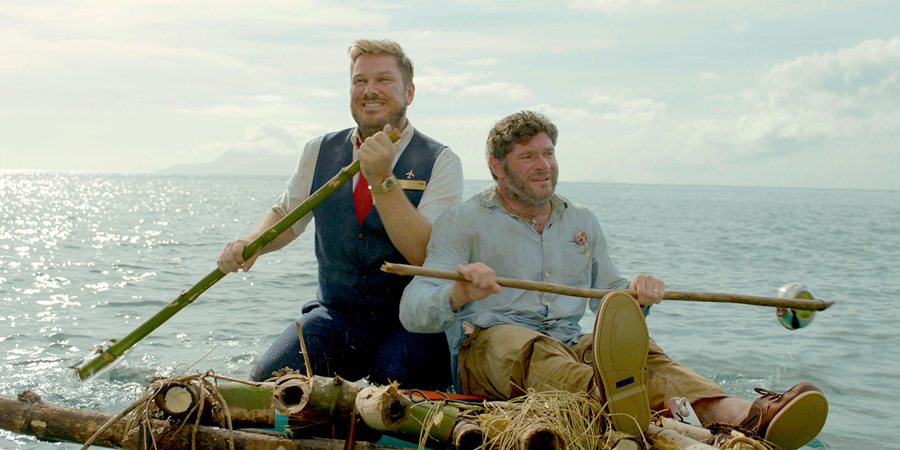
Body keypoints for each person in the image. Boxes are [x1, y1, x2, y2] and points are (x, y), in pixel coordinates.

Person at [399, 111, 828, 449]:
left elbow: (607, 300)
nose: (544, 165)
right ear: (496, 165)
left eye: (549, 153)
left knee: (636, 349)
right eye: (527, 156)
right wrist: (457, 292)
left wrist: (636, 298)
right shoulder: (463, 221)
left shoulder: (582, 220)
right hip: (487, 351)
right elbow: (412, 309)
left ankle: (742, 415)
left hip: (570, 348)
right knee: (517, 342)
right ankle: (629, 407)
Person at [218, 39, 463, 389]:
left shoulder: (442, 161)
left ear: (409, 92)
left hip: (410, 322)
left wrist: (382, 180)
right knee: (270, 383)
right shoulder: (320, 150)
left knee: (391, 400)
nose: (370, 90)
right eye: (360, 81)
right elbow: (286, 212)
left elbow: (424, 255)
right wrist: (252, 242)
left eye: (383, 80)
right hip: (336, 315)